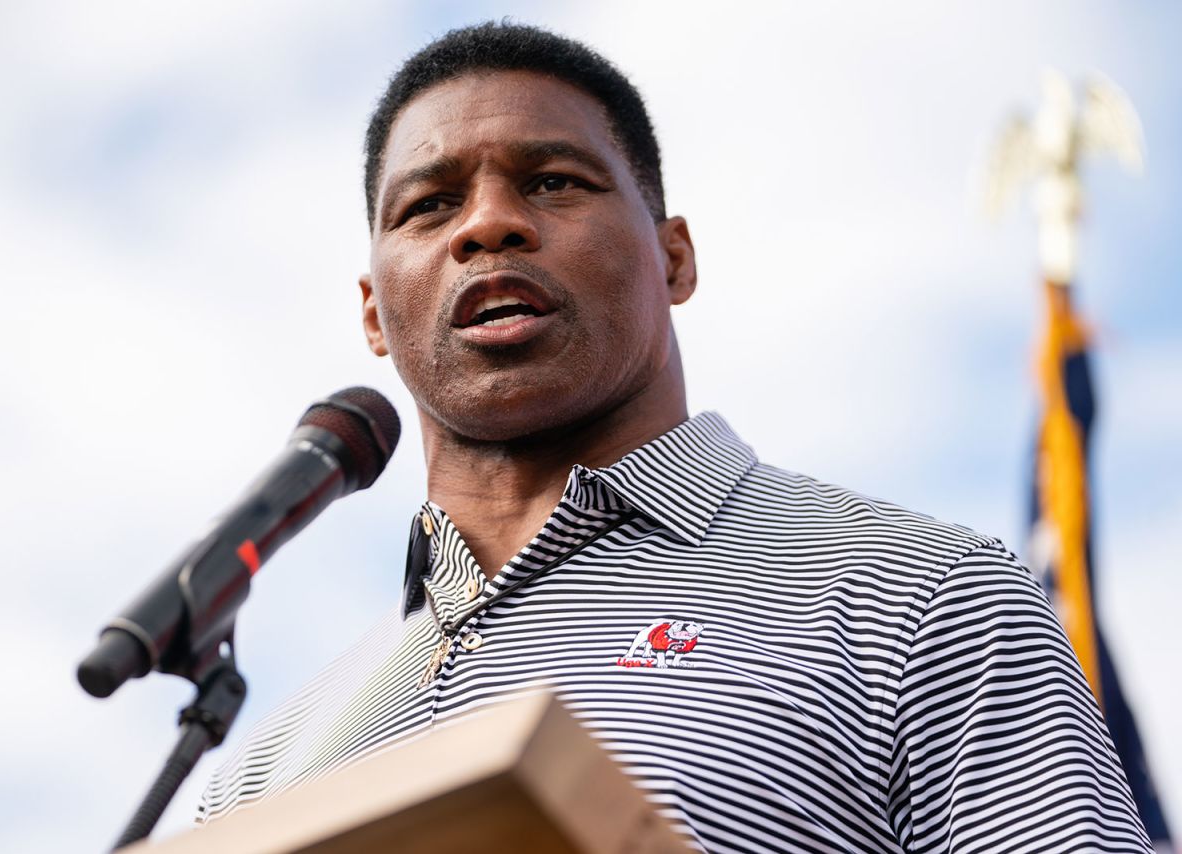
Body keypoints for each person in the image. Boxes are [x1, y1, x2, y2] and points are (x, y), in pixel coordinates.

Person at [199, 21, 1151, 852]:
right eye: (430, 205)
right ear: (374, 314)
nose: (489, 223)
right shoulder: (267, 770)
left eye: (552, 181)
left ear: (674, 257)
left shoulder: (920, 598)